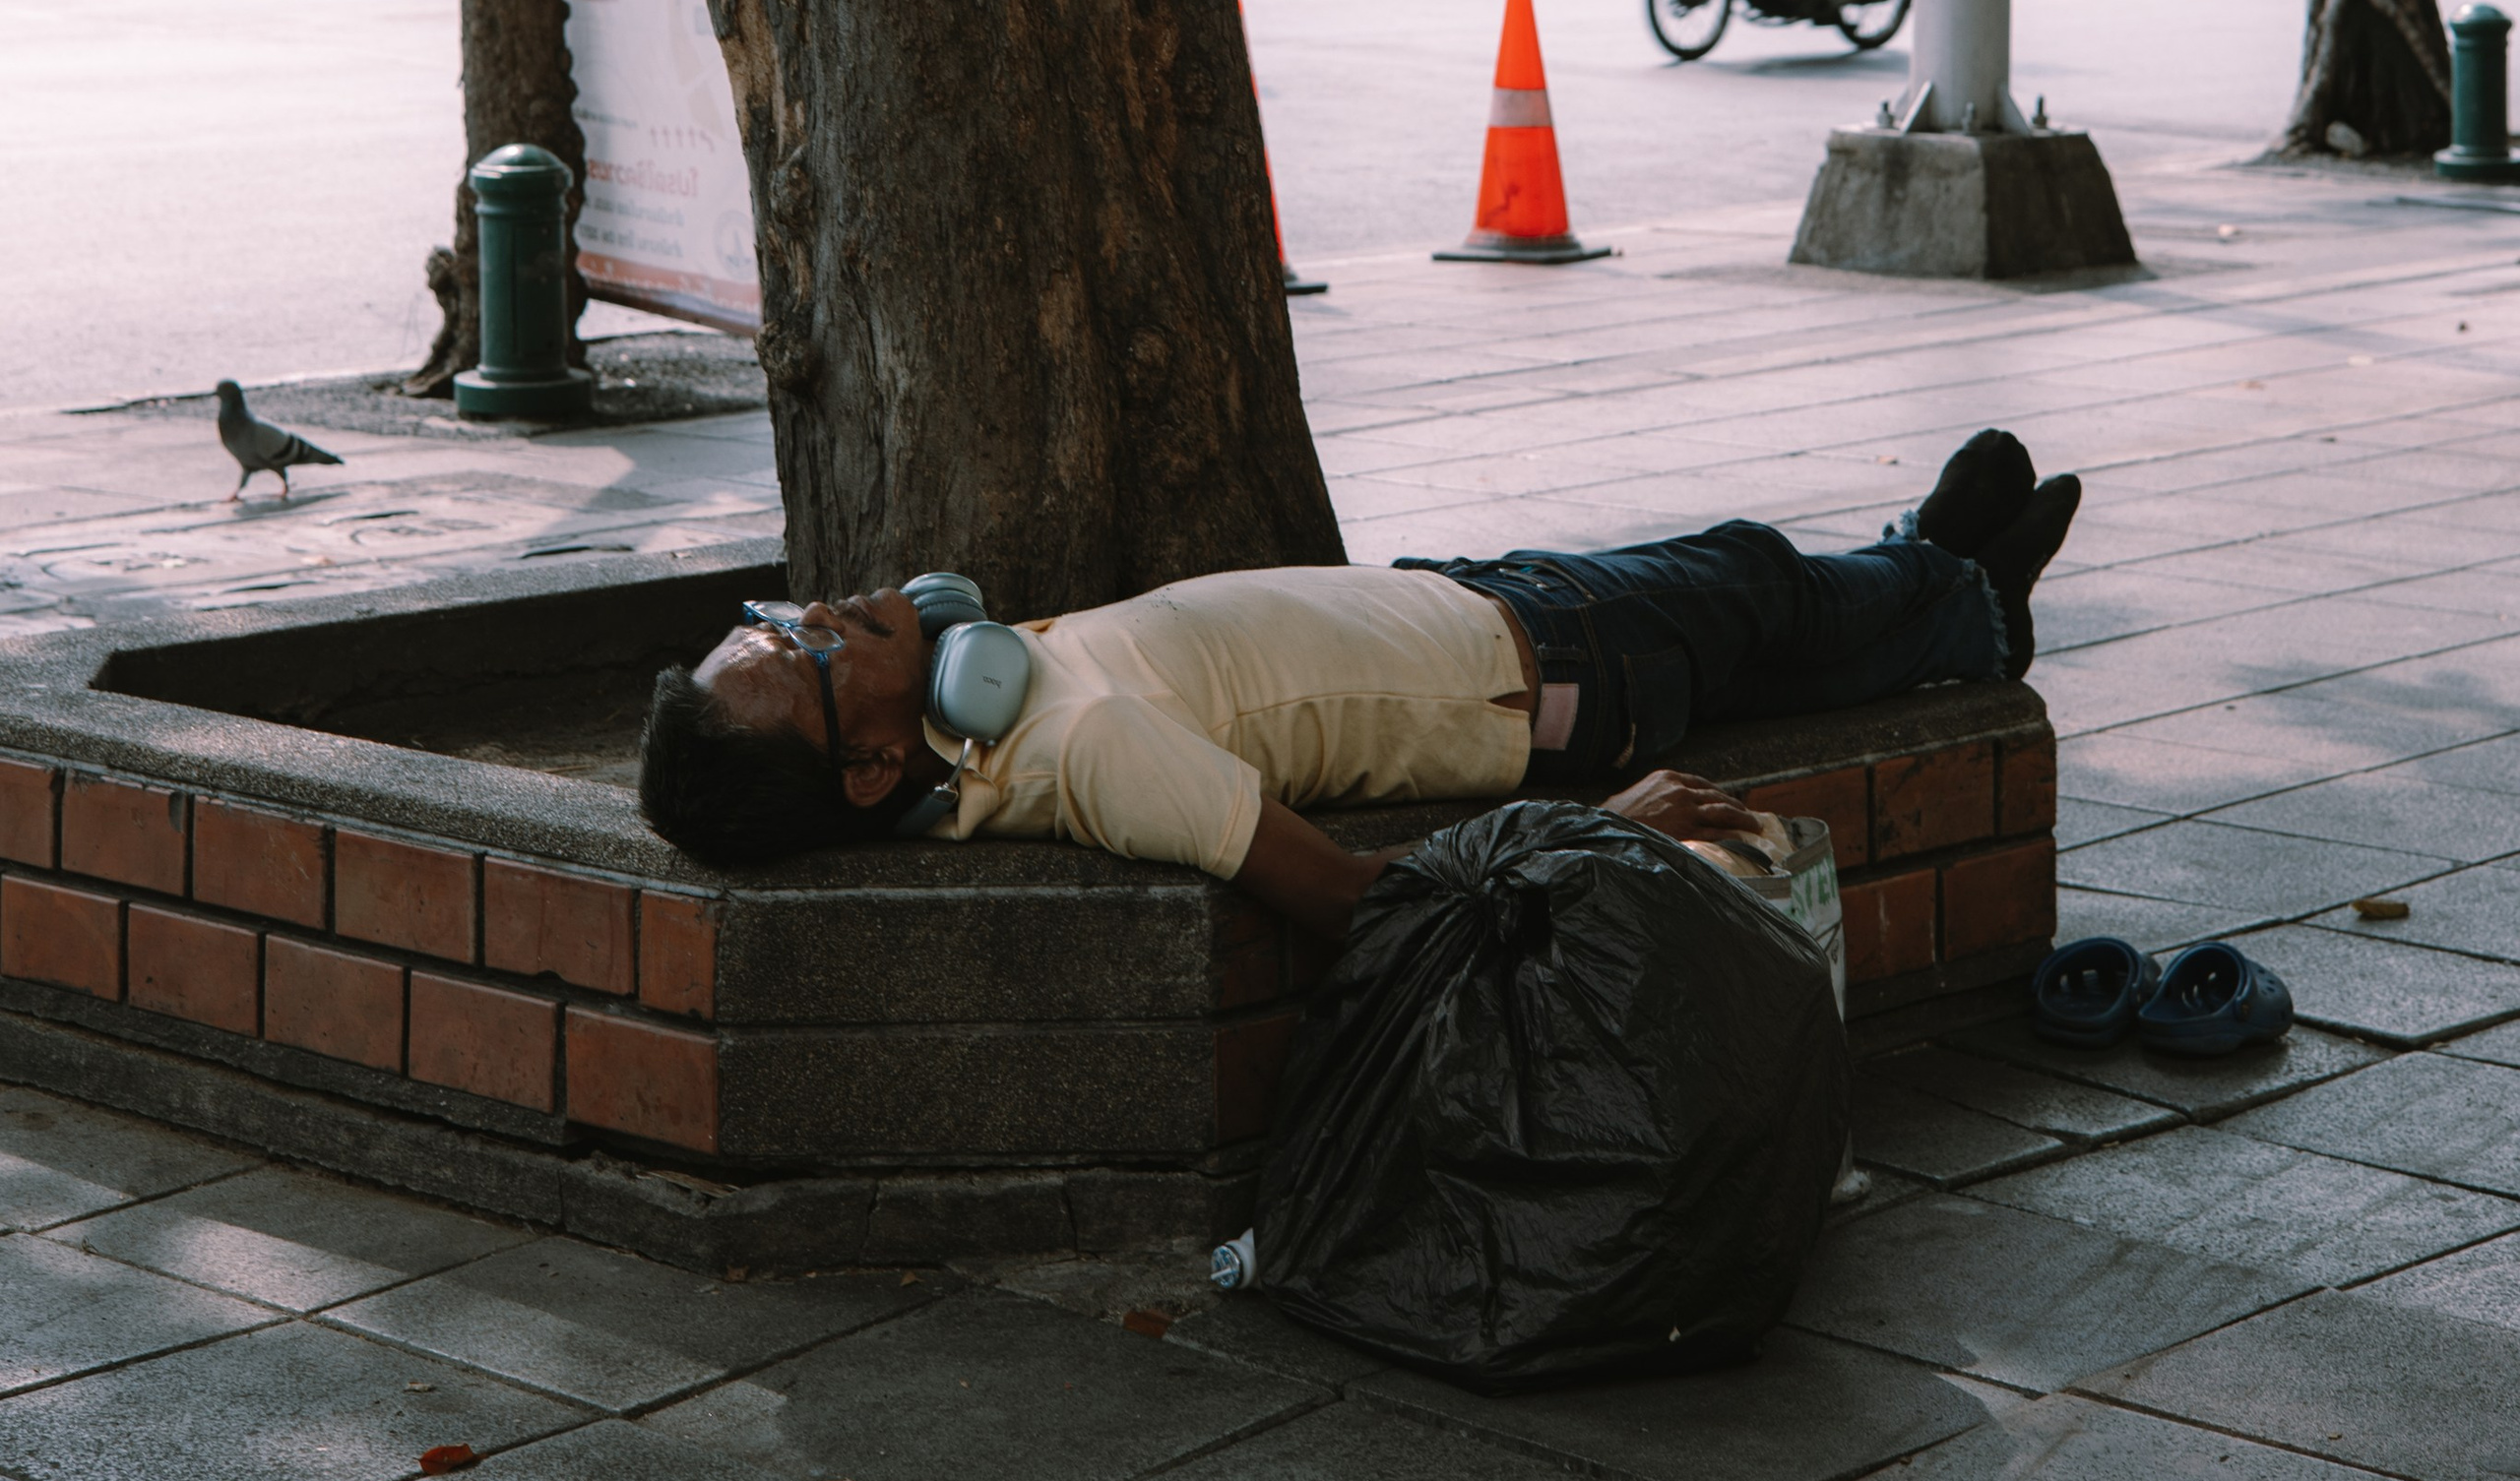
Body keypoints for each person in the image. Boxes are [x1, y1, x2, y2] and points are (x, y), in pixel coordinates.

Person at [637, 429, 2080, 938]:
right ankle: (1961, 600)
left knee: (1773, 631)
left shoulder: (991, 719)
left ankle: (1930, 577)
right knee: (1755, 584)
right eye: (808, 651)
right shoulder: (1086, 746)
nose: (817, 611)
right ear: (869, 768)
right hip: (1549, 668)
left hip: (1484, 611)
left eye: (774, 616)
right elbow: (1344, 899)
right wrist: (1602, 836)